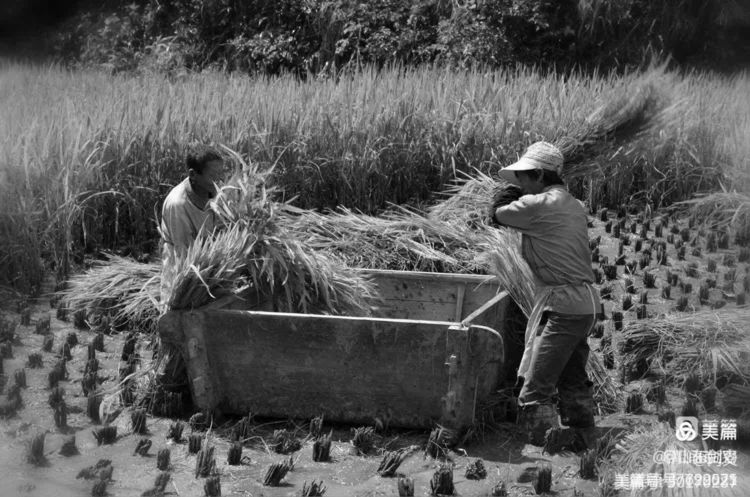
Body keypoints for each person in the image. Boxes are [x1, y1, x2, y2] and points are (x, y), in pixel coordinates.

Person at [489, 141, 601, 447]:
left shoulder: (539, 205)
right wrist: (520, 193)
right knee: (572, 375)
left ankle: (540, 447)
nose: (521, 186)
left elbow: (496, 216)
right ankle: (584, 436)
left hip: (564, 308)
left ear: (539, 174)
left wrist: (506, 195)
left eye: (523, 178)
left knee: (536, 387)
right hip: (586, 306)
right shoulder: (574, 204)